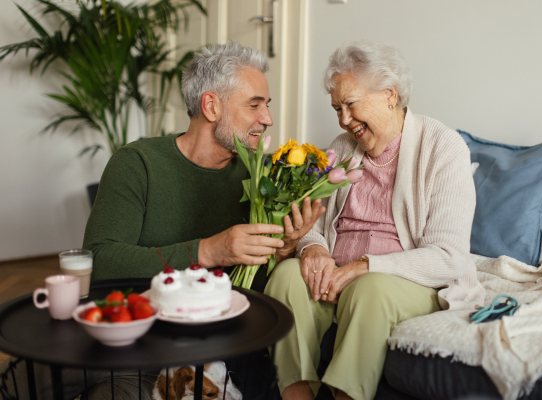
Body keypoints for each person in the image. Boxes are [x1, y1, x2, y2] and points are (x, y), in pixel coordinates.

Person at [0, 41, 324, 400]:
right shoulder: (137, 163)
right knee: (20, 380)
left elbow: (255, 296)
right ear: (211, 105)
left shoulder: (265, 180)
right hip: (124, 332)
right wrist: (208, 251)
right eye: (254, 104)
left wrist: (285, 250)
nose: (268, 119)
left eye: (267, 105)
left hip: (201, 354)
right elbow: (102, 260)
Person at [264, 41, 486, 400]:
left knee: (371, 289)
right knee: (287, 276)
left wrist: (365, 266)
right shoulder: (340, 147)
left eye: (350, 105)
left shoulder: (443, 147)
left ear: (389, 95)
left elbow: (450, 256)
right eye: (337, 108)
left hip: (402, 282)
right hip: (337, 275)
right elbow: (313, 228)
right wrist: (314, 250)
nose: (343, 120)